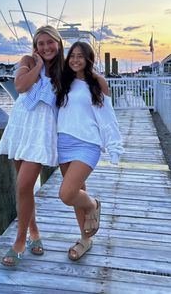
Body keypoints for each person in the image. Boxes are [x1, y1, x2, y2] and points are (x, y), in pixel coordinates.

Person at [0, 25, 64, 266]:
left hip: (41, 131)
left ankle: (19, 242)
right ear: (35, 47)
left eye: (50, 42)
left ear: (58, 43)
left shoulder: (63, 70)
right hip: (20, 126)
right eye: (40, 43)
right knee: (23, 187)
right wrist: (37, 66)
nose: (46, 47)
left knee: (24, 185)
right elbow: (21, 86)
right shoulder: (28, 60)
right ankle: (35, 233)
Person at [56, 41, 123, 261]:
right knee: (76, 193)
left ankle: (93, 204)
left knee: (67, 194)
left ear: (88, 59)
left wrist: (114, 146)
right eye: (72, 56)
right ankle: (85, 239)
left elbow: (108, 118)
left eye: (80, 56)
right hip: (63, 143)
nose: (75, 60)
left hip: (88, 144)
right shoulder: (64, 82)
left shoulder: (97, 82)